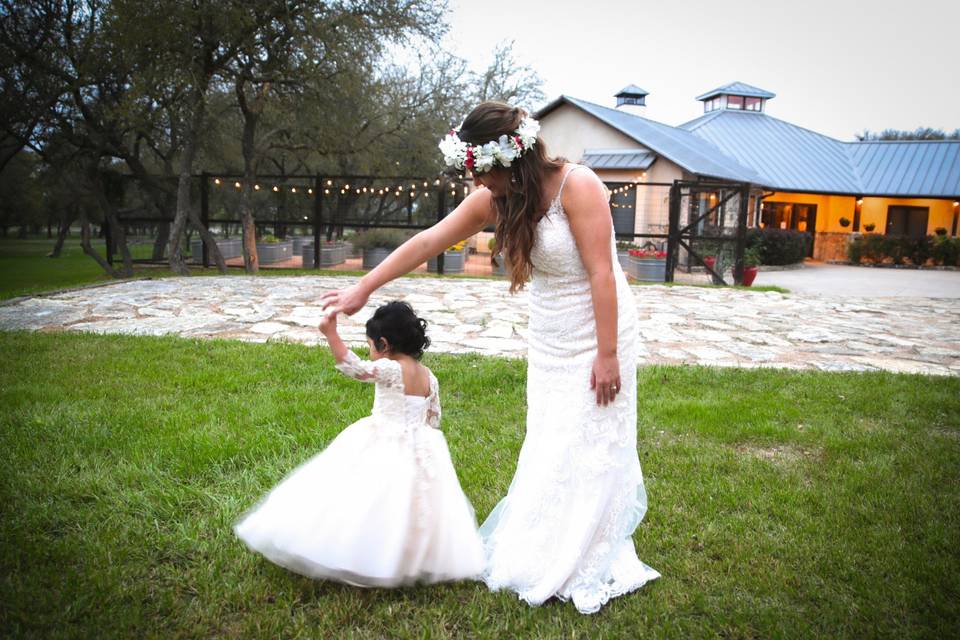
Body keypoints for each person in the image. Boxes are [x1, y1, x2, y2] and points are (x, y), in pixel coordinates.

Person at [320, 102, 659, 613]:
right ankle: (543, 541)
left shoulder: (579, 185)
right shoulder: (494, 198)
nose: (478, 181)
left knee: (590, 434)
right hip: (550, 332)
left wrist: (607, 354)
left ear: (511, 158)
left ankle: (585, 550)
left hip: (599, 325)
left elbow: (602, 275)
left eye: (481, 171)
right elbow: (429, 240)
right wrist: (363, 288)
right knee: (550, 433)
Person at [234, 301, 485, 587]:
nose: (370, 351)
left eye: (369, 345)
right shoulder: (429, 377)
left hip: (385, 439)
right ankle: (413, 557)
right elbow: (432, 417)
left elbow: (356, 369)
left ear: (384, 344)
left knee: (370, 497)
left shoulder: (390, 368)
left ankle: (367, 555)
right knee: (414, 504)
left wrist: (331, 334)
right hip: (422, 444)